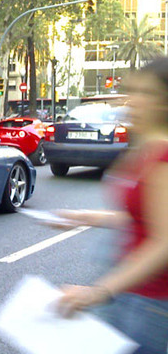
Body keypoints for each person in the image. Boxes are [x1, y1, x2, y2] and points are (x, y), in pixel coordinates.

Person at [55, 58, 168, 354]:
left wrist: (97, 292)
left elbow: (163, 242)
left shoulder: (163, 158)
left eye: (147, 94)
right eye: (134, 92)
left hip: (154, 304)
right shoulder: (146, 149)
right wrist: (84, 216)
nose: (134, 102)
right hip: (130, 292)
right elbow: (142, 217)